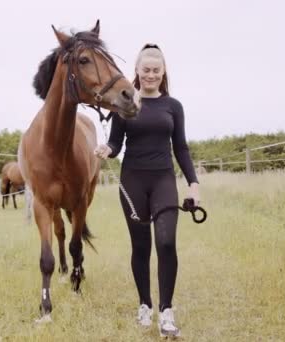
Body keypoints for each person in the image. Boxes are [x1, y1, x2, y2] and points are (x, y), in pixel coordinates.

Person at [94, 43, 200, 338]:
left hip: (163, 180)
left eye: (156, 70)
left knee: (166, 242)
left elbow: (181, 147)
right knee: (141, 247)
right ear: (137, 72)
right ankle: (145, 304)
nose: (151, 75)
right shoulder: (124, 103)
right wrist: (107, 148)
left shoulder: (173, 106)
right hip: (133, 181)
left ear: (163, 72)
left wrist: (193, 183)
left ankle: (166, 311)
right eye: (146, 70)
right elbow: (117, 144)